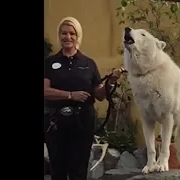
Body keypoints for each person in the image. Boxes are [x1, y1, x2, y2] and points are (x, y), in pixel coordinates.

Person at [44, 17, 124, 180]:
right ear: (59, 35)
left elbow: (100, 95)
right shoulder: (49, 62)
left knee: (79, 170)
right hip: (56, 123)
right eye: (64, 33)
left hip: (82, 122)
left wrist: (110, 82)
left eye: (72, 33)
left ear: (78, 36)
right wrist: (70, 95)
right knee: (58, 169)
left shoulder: (89, 64)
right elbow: (45, 90)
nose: (68, 37)